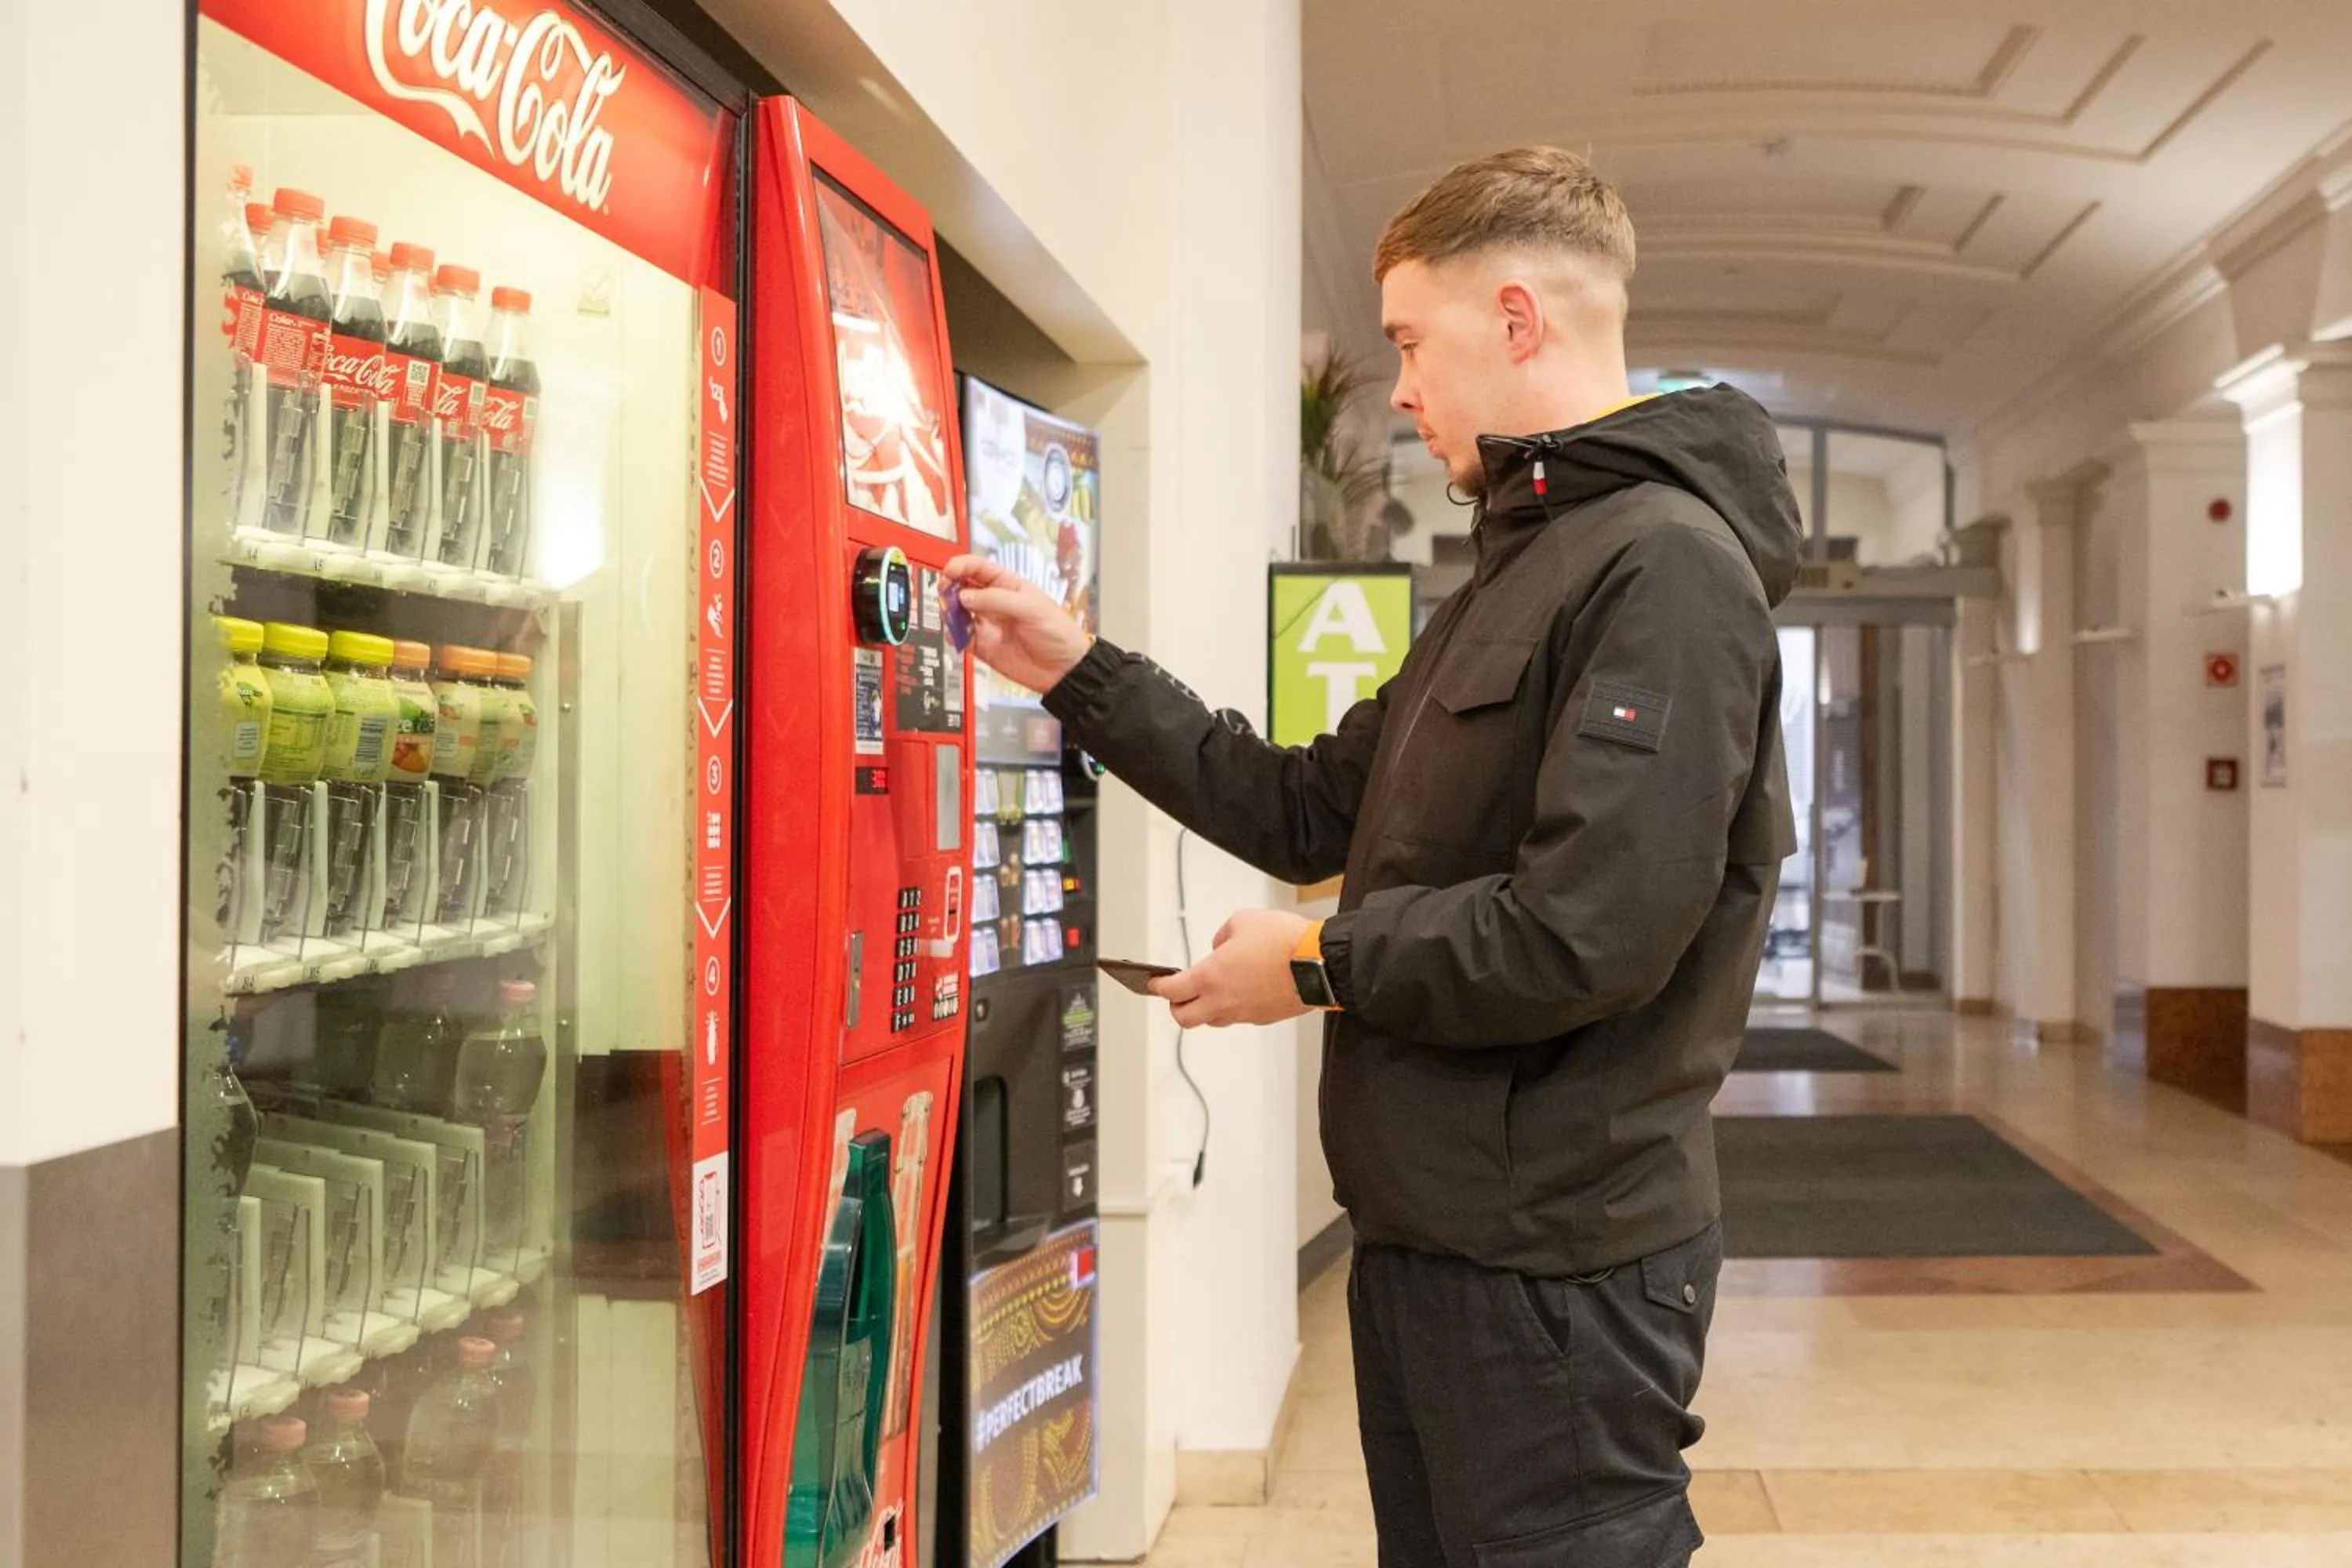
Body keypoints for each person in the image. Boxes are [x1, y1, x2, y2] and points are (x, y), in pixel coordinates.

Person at [947, 145, 1799, 1568]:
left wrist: (1315, 961)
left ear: (1517, 319)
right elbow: (1302, 807)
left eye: (1412, 340)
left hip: (1557, 1271)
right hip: (1437, 1241)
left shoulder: (1666, 570)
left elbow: (1588, 930)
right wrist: (1077, 671)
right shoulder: (1523, 567)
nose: (1399, 387)